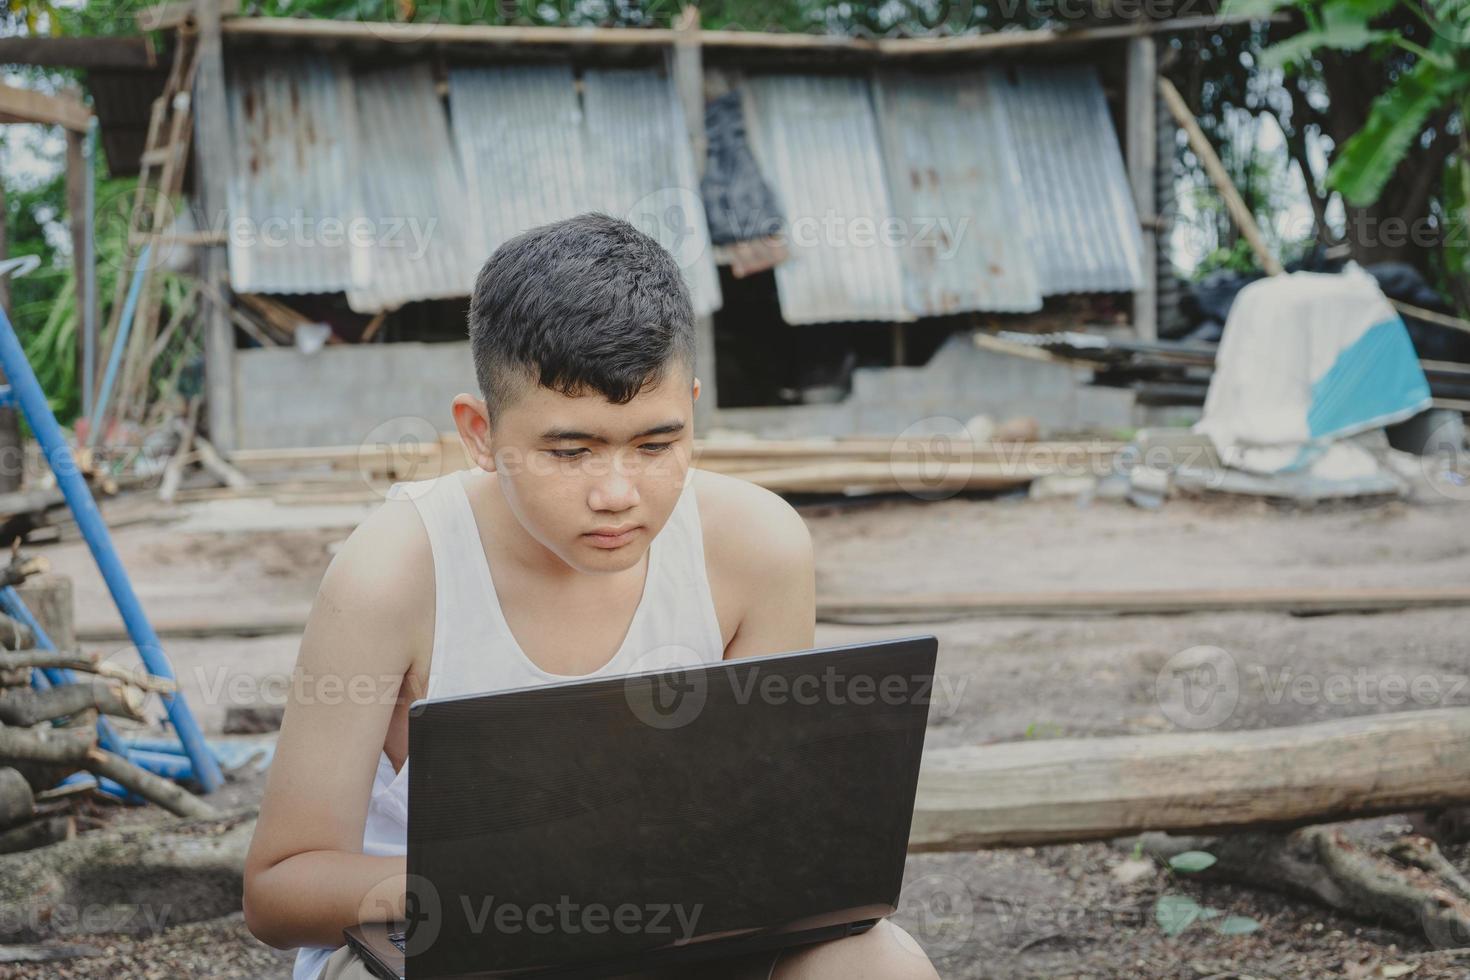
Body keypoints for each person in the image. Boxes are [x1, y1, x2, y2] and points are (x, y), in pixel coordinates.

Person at [241, 213, 939, 980]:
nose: (617, 494)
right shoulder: (395, 573)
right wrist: (515, 887)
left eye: (656, 445)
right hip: (447, 940)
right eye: (569, 452)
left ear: (693, 410)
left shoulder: (758, 547)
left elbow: (754, 829)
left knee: (879, 964)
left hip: (668, 934)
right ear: (480, 433)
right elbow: (279, 890)